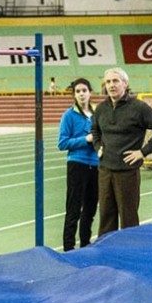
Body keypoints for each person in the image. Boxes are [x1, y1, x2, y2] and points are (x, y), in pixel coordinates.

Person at [90, 67, 152, 237]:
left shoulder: (138, 107)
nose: (111, 85)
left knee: (128, 218)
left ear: (125, 84)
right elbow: (95, 129)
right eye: (108, 82)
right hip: (105, 170)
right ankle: (105, 251)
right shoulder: (101, 108)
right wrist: (98, 146)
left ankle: (129, 251)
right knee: (105, 216)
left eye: (115, 81)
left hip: (127, 172)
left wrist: (143, 152)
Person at [57, 78, 99, 252]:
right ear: (74, 94)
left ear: (90, 92)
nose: (81, 94)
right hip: (77, 165)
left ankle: (85, 244)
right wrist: (85, 139)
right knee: (74, 208)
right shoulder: (69, 115)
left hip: (96, 165)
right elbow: (62, 143)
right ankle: (68, 247)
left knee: (90, 208)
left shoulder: (98, 113)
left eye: (84, 90)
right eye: (78, 91)